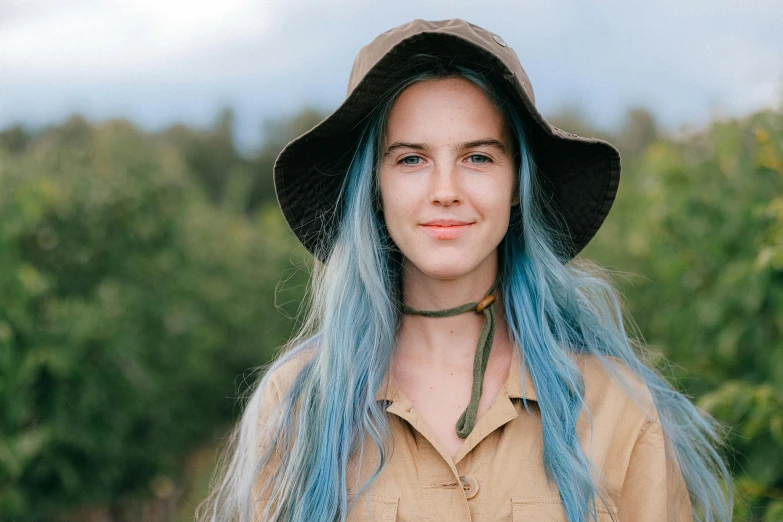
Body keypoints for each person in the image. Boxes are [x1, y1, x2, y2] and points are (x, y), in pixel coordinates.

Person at [197, 19, 733, 522]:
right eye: (411, 158)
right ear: (374, 189)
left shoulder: (616, 408)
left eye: (478, 157)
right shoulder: (299, 405)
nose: (446, 190)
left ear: (517, 183)